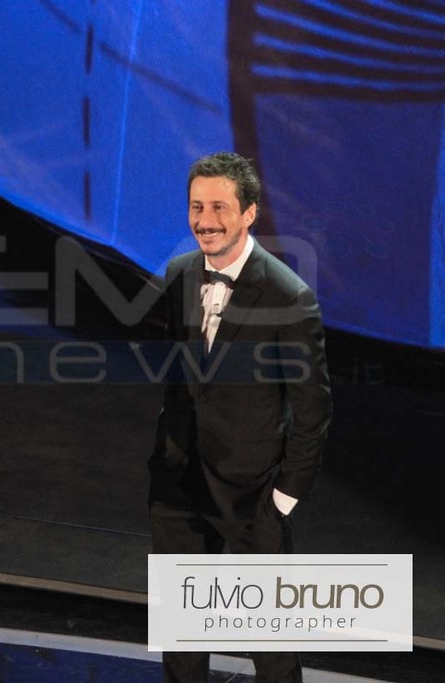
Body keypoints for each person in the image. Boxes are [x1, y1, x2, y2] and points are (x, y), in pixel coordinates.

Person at [148, 152, 333, 682]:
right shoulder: (179, 274)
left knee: (270, 646)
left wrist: (285, 495)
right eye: (196, 206)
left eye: (219, 208)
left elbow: (313, 407)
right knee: (182, 639)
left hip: (254, 491)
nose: (205, 220)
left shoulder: (288, 295)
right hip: (179, 484)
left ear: (249, 213)